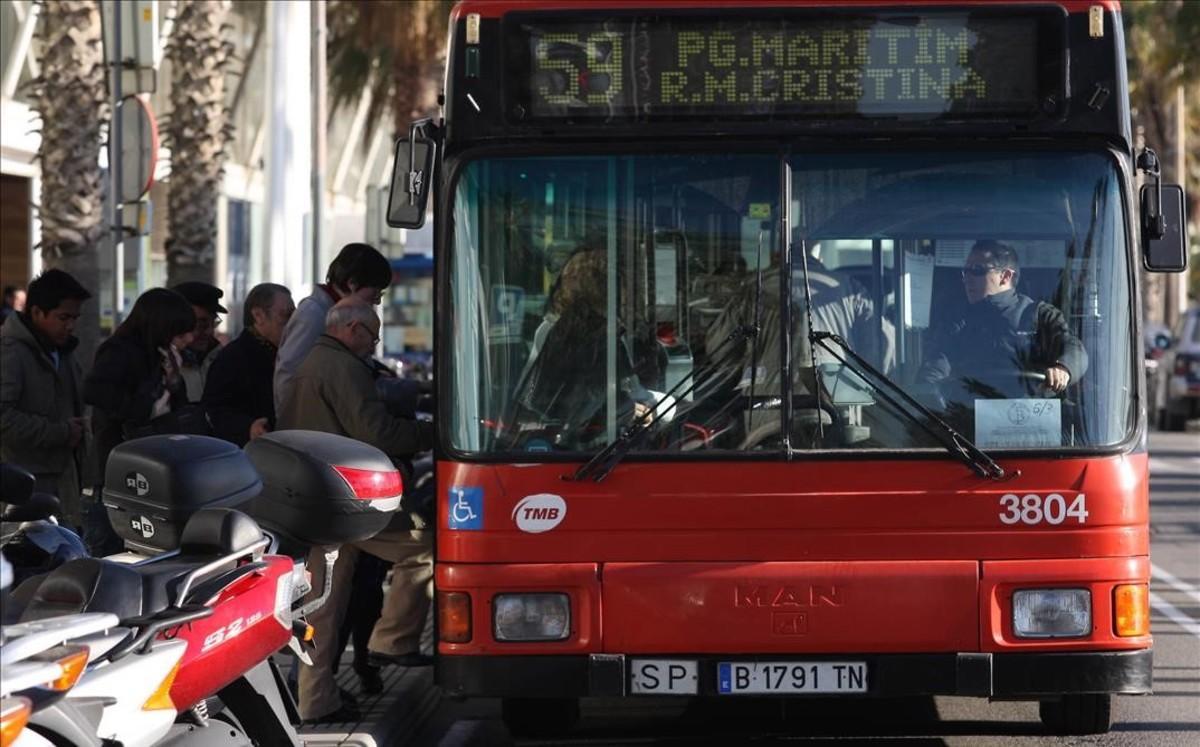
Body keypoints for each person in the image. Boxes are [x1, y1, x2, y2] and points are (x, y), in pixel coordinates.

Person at [277, 298, 434, 725]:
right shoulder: (343, 367)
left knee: (320, 607)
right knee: (424, 549)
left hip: (313, 501)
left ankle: (314, 701)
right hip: (347, 499)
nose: (376, 343)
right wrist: (431, 432)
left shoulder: (311, 362)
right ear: (351, 328)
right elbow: (375, 431)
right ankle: (395, 639)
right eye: (373, 334)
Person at [82, 288, 197, 555]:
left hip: (149, 471)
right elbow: (99, 394)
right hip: (115, 472)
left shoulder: (161, 355)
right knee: (108, 554)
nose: (187, 340)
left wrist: (173, 381)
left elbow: (176, 408)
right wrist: (152, 391)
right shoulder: (120, 352)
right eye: (180, 333)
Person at [919, 239, 1088, 404]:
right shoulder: (958, 321)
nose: (967, 278)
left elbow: (1074, 349)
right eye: (966, 271)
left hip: (1032, 419)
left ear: (1006, 276)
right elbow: (935, 366)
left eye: (977, 270)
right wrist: (929, 392)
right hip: (967, 421)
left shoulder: (1038, 314)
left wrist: (1063, 369)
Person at [0, 270, 92, 529]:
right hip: (21, 488)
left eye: (74, 318)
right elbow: (3, 419)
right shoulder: (10, 353)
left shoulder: (62, 351)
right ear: (38, 312)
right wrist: (60, 432)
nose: (70, 325)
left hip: (62, 481)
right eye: (63, 317)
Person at [274, 243, 392, 413]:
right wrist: (294, 424)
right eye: (374, 293)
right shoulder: (313, 314)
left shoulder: (336, 312)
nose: (377, 301)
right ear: (352, 283)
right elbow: (289, 375)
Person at [202, 283, 293, 447]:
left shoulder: (285, 353)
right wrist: (248, 427)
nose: (291, 324)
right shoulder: (233, 357)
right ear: (258, 315)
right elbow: (214, 409)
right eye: (285, 315)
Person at [172, 281, 227, 402]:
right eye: (201, 324)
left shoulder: (224, 359)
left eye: (213, 323)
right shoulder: (160, 364)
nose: (209, 331)